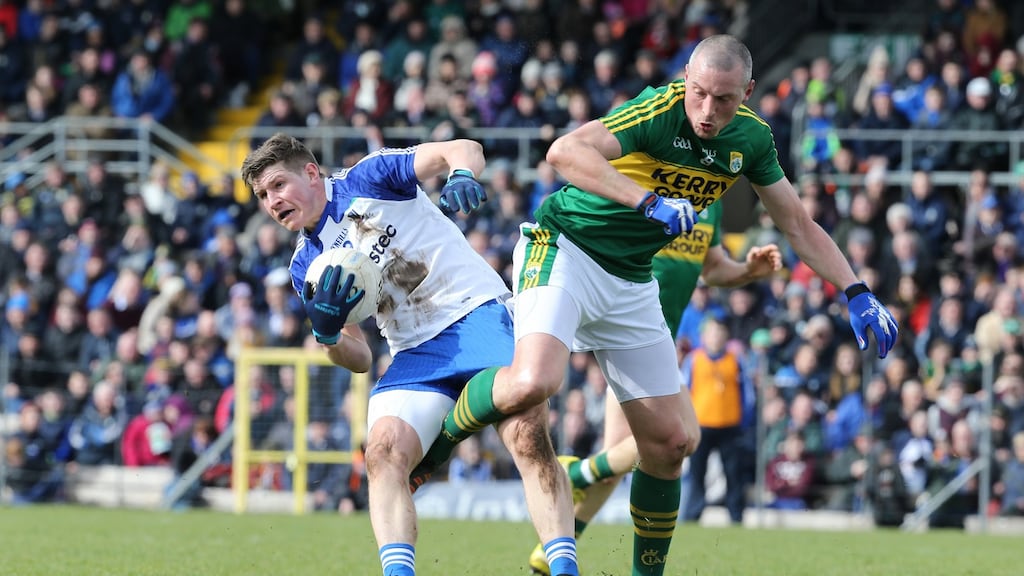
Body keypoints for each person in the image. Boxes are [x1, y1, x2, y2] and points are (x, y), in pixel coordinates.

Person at [411, 34, 898, 576]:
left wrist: (855, 291)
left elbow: (798, 223)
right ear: (685, 79)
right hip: (567, 247)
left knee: (671, 442)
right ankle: (442, 439)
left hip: (632, 280)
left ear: (749, 93)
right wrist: (648, 202)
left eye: (724, 100)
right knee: (533, 383)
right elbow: (564, 151)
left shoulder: (753, 140)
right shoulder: (660, 109)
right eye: (699, 93)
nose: (708, 111)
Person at [240, 134, 577, 576]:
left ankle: (564, 567)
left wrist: (460, 173)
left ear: (310, 173)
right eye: (263, 195)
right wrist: (328, 337)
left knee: (526, 437)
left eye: (277, 185)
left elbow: (465, 147)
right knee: (381, 453)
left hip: (477, 314)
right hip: (414, 351)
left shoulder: (369, 177)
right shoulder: (307, 265)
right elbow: (359, 356)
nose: (271, 201)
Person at [528, 199, 782, 574]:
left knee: (624, 456)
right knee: (681, 439)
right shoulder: (649, 182)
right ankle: (576, 478)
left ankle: (551, 550)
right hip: (629, 339)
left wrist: (748, 270)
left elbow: (711, 268)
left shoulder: (711, 201)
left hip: (660, 347)